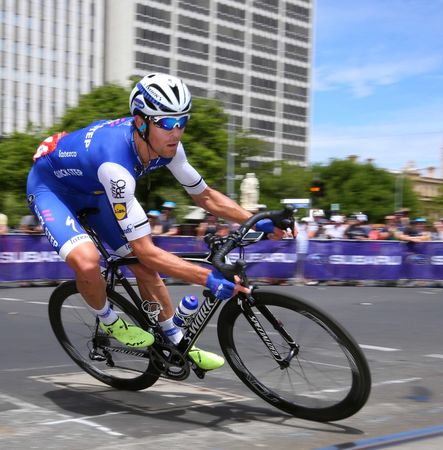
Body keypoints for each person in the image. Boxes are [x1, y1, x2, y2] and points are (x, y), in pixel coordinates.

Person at [26, 72, 287, 371]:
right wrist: (207, 278)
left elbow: (206, 197)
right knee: (87, 262)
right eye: (166, 123)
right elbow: (147, 250)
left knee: (144, 269)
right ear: (141, 122)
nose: (176, 132)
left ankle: (177, 343)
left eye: (182, 121)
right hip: (52, 191)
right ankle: (109, 320)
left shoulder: (169, 147)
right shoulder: (116, 166)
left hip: (95, 191)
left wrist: (258, 221)